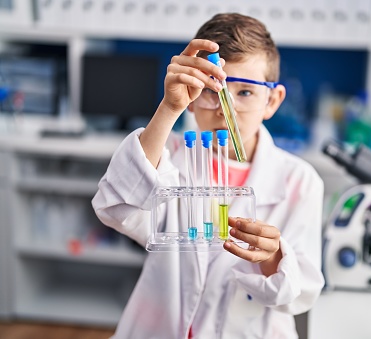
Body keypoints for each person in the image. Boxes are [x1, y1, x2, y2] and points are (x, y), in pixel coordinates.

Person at [92, 13, 324, 339]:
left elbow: (301, 293)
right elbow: (115, 208)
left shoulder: (300, 181)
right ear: (190, 90)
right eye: (211, 89)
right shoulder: (165, 153)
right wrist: (168, 108)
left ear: (271, 100)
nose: (222, 108)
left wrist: (272, 258)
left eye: (244, 93)